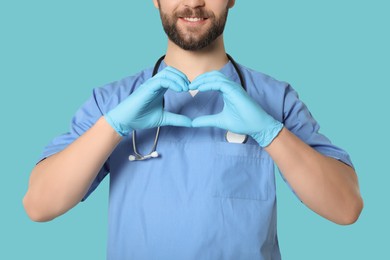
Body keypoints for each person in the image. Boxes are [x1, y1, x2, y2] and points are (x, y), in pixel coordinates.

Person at [23, 0, 363, 259]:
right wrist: (112, 127)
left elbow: (346, 207)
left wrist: (270, 133)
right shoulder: (112, 101)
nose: (194, 1)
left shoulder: (275, 99)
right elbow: (39, 205)